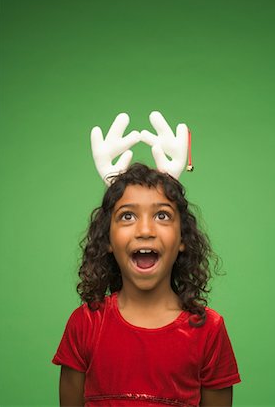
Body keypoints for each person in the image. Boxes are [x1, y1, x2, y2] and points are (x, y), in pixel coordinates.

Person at [52, 163, 241, 407]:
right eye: (127, 216)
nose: (145, 230)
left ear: (183, 238)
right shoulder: (85, 324)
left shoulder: (208, 330)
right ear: (107, 239)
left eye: (162, 215)